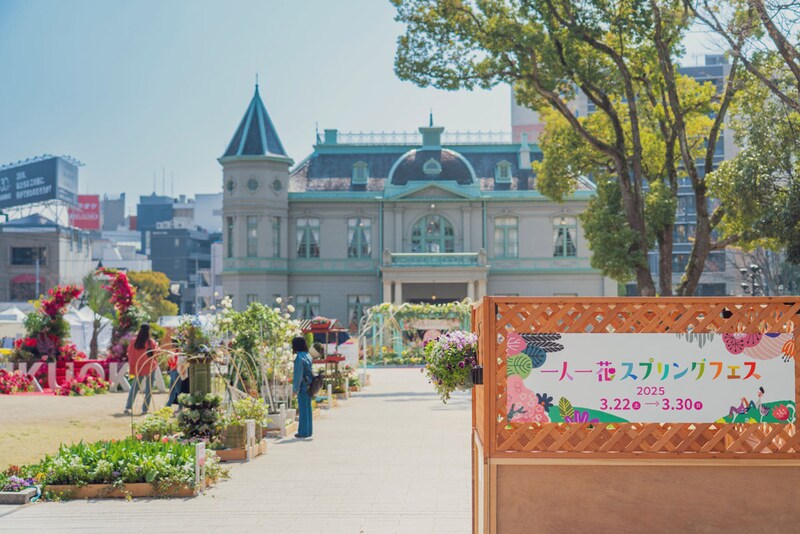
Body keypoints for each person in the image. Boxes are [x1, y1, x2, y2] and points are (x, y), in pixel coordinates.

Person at [124, 324, 159, 415]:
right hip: (150, 367)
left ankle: (128, 407)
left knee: (134, 388)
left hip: (138, 367)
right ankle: (145, 409)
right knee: (149, 389)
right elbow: (155, 354)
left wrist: (135, 363)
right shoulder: (150, 342)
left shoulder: (134, 342)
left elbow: (129, 353)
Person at [292, 336, 314, 439]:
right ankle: (309, 430)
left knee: (303, 409)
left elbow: (298, 375)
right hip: (310, 385)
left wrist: (295, 389)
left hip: (303, 386)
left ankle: (303, 432)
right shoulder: (308, 356)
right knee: (308, 408)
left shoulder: (299, 358)